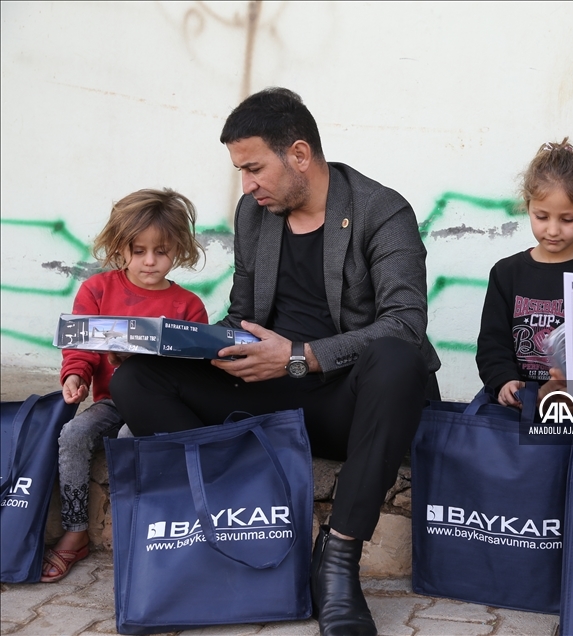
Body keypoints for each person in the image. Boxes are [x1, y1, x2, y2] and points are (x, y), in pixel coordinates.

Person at [110, 87, 440, 636]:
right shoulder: (254, 213)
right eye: (241, 171)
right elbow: (242, 314)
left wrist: (298, 357)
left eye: (255, 168)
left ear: (300, 155)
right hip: (268, 389)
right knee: (136, 379)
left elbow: (406, 323)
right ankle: (241, 513)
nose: (247, 185)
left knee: (398, 359)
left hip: (345, 400)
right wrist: (178, 343)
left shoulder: (383, 211)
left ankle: (335, 561)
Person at [43, 189, 207, 583]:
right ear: (120, 247)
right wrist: (75, 376)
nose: (149, 261)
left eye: (162, 251)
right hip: (109, 401)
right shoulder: (97, 291)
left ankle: (140, 530)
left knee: (134, 437)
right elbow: (79, 344)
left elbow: (196, 370)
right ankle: (77, 529)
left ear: (179, 251)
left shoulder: (188, 306)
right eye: (138, 250)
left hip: (152, 407)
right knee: (73, 433)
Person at [477, 139, 573, 406]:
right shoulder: (506, 273)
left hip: (571, 416)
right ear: (527, 206)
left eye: (567, 219)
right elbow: (492, 343)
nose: (553, 230)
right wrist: (504, 380)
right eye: (541, 217)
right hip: (514, 412)